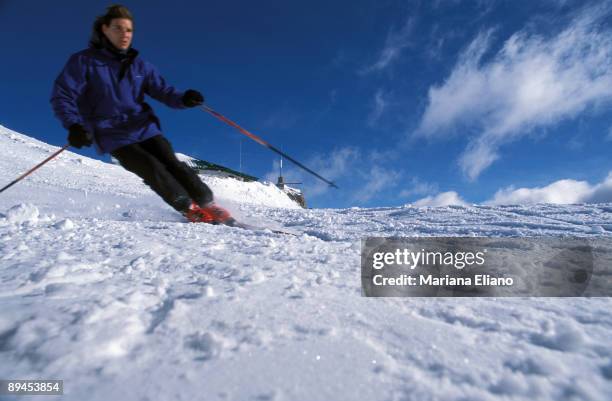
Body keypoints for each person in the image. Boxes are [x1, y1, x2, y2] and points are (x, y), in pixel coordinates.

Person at [50, 4, 232, 224]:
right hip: (110, 132)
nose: (125, 34)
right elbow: (63, 95)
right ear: (104, 30)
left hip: (143, 126)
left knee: (171, 162)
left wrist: (183, 98)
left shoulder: (139, 66)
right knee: (151, 167)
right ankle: (187, 208)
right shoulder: (83, 61)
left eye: (129, 30)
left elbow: (163, 91)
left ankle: (207, 203)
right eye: (118, 28)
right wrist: (74, 125)